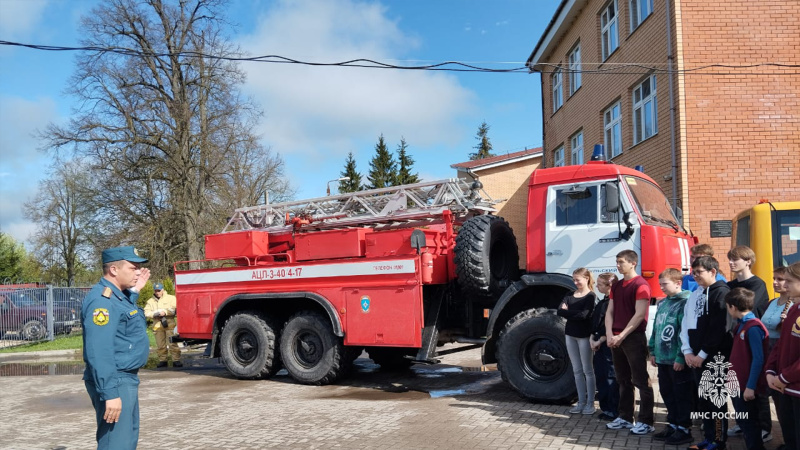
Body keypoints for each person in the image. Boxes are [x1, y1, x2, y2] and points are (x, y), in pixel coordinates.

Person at [82, 246, 151, 450]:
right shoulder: (101, 301)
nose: (138, 272)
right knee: (116, 444)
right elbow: (99, 350)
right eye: (133, 267)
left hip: (124, 378)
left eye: (139, 267)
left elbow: (122, 318)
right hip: (115, 380)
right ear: (113, 269)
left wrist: (135, 293)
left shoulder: (117, 296)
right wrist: (110, 393)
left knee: (127, 441)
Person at [682, 255, 732, 450]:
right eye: (693, 273)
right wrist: (687, 350)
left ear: (713, 272)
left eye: (699, 272)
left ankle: (719, 440)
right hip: (695, 356)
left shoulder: (721, 293)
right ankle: (708, 437)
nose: (695, 276)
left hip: (713, 357)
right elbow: (687, 323)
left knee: (717, 402)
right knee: (704, 400)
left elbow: (719, 328)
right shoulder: (696, 293)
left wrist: (702, 354)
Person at [604, 250, 654, 435]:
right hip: (616, 337)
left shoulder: (641, 285)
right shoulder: (616, 286)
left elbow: (639, 314)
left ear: (633, 263)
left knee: (641, 381)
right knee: (623, 380)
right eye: (617, 261)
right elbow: (610, 311)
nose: (618, 265)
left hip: (632, 338)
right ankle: (625, 417)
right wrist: (609, 334)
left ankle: (646, 421)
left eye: (621, 262)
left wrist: (622, 335)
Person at [727, 245, 772, 442]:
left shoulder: (758, 284)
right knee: (738, 384)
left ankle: (764, 428)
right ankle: (742, 421)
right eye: (730, 259)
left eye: (735, 259)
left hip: (751, 338)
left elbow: (749, 308)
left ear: (748, 261)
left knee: (756, 387)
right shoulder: (729, 285)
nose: (731, 262)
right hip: (735, 338)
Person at [649, 268, 693, 445]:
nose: (662, 288)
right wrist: (652, 350)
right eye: (660, 284)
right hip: (662, 357)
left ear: (678, 283)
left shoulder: (685, 303)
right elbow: (656, 328)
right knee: (667, 392)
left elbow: (684, 332)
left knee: (681, 394)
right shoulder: (663, 303)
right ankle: (673, 424)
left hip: (676, 357)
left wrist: (680, 357)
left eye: (665, 284)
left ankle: (684, 428)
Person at [726, 287, 768, 450]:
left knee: (750, 424)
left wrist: (750, 387)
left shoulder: (753, 327)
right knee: (744, 422)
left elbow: (758, 359)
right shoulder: (741, 325)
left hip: (747, 387)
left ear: (733, 307)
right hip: (739, 385)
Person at [766, 262, 800, 450]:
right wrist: (771, 371)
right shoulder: (794, 309)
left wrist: (784, 377)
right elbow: (780, 343)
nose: (784, 285)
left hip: (793, 385)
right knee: (790, 435)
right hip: (785, 386)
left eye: (789, 281)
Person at [557, 268, 596, 415]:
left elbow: (584, 315)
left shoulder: (590, 296)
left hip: (584, 336)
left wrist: (568, 312)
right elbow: (559, 311)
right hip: (570, 335)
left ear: (586, 278)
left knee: (588, 370)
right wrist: (573, 313)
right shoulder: (569, 294)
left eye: (578, 279)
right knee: (576, 370)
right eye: (574, 279)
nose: (575, 282)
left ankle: (590, 403)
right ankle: (580, 402)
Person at [590, 272, 620, 421]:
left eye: (600, 284)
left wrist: (599, 340)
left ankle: (614, 409)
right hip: (598, 343)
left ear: (610, 286)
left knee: (610, 376)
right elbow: (596, 323)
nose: (597, 286)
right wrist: (592, 338)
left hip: (607, 344)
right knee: (601, 375)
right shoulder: (603, 302)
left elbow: (610, 326)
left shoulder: (613, 303)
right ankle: (606, 408)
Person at [144, 283, 181, 368]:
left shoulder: (171, 298)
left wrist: (165, 312)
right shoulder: (150, 301)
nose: (157, 292)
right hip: (157, 325)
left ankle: (176, 360)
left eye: (159, 290)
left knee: (173, 343)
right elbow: (146, 312)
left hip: (169, 324)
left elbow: (174, 309)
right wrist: (155, 314)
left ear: (163, 290)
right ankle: (163, 360)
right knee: (160, 345)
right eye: (156, 291)